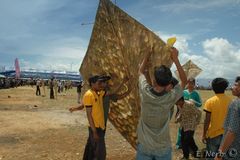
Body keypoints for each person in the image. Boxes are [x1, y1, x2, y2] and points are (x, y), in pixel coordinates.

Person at [136, 46, 187, 160]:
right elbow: (184, 80)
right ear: (169, 84)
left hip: (144, 146)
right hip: (162, 148)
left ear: (153, 80)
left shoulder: (144, 92)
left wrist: (147, 55)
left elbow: (140, 72)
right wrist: (175, 59)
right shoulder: (171, 97)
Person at [202, 78, 232, 159]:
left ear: (213, 87)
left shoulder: (210, 101)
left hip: (213, 134)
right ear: (225, 87)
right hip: (226, 135)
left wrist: (204, 134)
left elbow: (207, 120)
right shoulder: (231, 101)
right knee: (224, 157)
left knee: (211, 156)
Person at [215, 76, 240, 160]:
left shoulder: (236, 104)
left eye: (235, 85)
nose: (232, 87)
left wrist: (220, 153)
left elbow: (231, 132)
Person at [82, 75, 106, 160]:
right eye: (98, 83)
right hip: (95, 128)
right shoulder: (89, 95)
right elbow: (89, 115)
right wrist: (94, 131)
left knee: (92, 149)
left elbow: (111, 92)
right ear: (92, 84)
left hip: (100, 127)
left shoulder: (99, 93)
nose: (100, 85)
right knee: (100, 153)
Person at [176, 77, 202, 149]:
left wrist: (194, 101)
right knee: (181, 129)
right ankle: (180, 144)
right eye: (189, 83)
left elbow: (200, 104)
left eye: (192, 83)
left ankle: (189, 146)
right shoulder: (184, 92)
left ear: (194, 84)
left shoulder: (196, 93)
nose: (190, 85)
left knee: (189, 131)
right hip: (183, 114)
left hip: (191, 115)